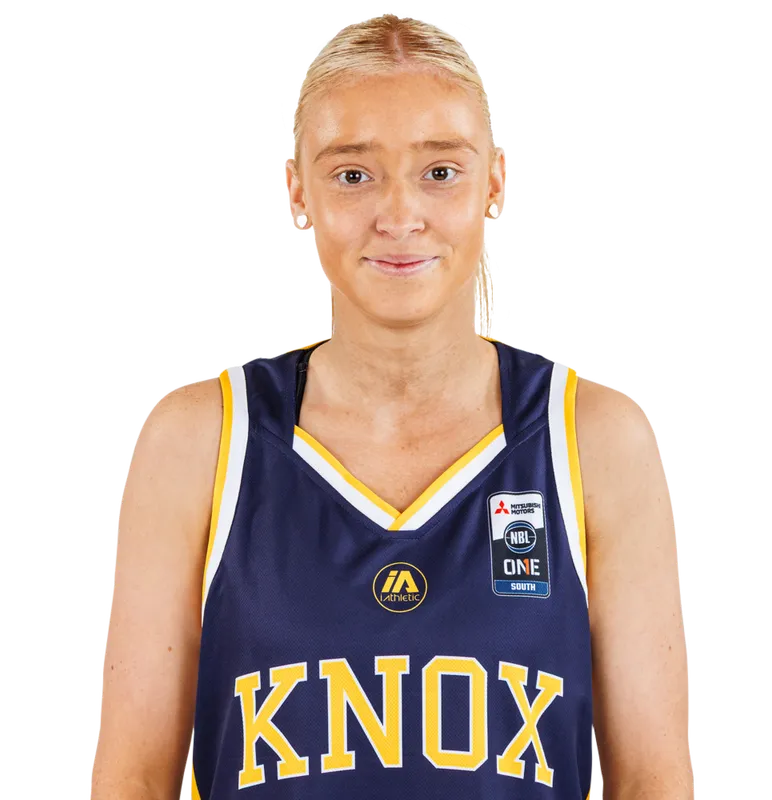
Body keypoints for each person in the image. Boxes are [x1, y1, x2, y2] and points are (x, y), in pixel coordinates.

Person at [90, 13, 693, 800]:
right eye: (353, 174)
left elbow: (652, 784)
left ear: (495, 183)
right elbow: (132, 782)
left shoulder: (595, 439)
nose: (400, 215)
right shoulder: (200, 440)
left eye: (440, 171)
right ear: (296, 189)